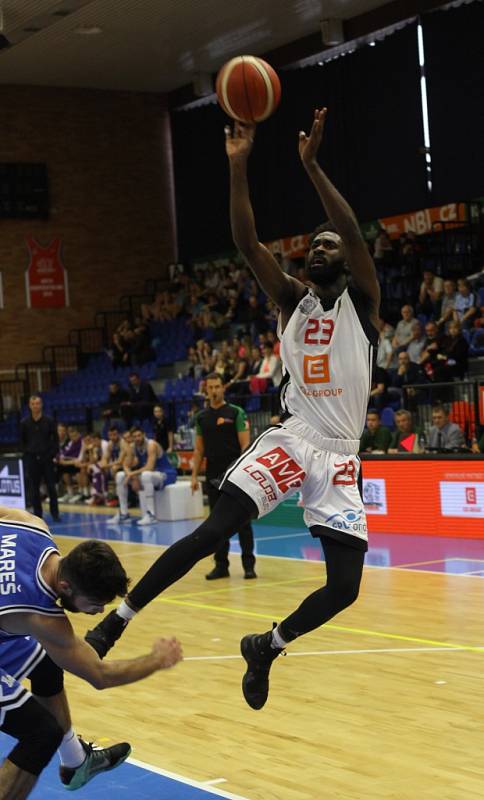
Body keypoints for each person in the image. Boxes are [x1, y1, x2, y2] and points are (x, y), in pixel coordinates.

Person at [85, 107, 380, 712]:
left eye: (331, 244)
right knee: (212, 530)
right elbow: (246, 241)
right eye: (314, 244)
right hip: (293, 439)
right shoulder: (289, 299)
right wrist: (239, 165)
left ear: (347, 261)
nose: (321, 248)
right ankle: (118, 620)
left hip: (341, 459)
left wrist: (312, 165)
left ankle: (267, 645)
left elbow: (351, 229)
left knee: (345, 589)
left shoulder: (364, 305)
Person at [0, 505, 182, 800]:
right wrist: (156, 660)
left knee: (46, 665)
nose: (98, 611)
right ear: (65, 586)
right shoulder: (42, 618)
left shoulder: (30, 525)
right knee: (41, 735)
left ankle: (76, 761)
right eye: (95, 603)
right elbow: (99, 675)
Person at [191, 372, 257, 580]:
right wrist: (194, 476)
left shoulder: (236, 413)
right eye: (210, 387)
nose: (214, 391)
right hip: (212, 477)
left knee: (243, 523)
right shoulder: (201, 417)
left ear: (223, 388)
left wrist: (242, 472)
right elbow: (199, 450)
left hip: (236, 477)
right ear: (206, 390)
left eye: (217, 386)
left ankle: (248, 565)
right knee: (216, 525)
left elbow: (246, 445)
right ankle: (221, 565)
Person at [107, 426, 177, 526]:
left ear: (144, 435)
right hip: (151, 475)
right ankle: (124, 513)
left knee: (146, 475)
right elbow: (126, 465)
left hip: (166, 474)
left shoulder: (151, 445)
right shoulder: (133, 446)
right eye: (134, 436)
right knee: (120, 475)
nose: (137, 438)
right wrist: (130, 474)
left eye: (139, 435)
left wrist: (132, 474)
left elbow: (149, 467)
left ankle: (151, 515)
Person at [20, 395, 60, 523]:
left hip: (47, 459)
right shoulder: (24, 423)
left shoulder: (49, 421)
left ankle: (55, 513)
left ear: (41, 404)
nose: (36, 406)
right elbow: (22, 441)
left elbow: (56, 440)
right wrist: (27, 454)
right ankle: (38, 515)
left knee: (51, 488)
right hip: (32, 459)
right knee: (34, 488)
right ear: (29, 406)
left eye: (38, 403)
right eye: (33, 404)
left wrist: (51, 454)